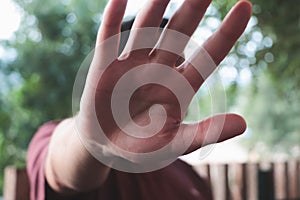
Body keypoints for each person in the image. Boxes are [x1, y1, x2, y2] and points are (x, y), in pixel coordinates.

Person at [27, 0, 252, 199]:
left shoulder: (188, 176)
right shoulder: (55, 139)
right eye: (140, 75)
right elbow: (63, 168)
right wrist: (94, 144)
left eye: (176, 71)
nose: (163, 88)